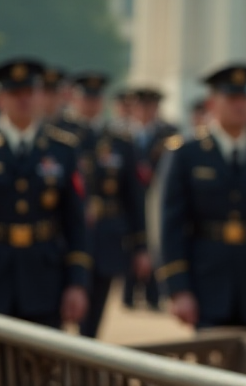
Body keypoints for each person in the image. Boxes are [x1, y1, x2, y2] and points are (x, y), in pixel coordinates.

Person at [0, 58, 90, 329]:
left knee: (42, 356)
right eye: (15, 93)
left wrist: (77, 283)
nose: (24, 100)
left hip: (45, 280)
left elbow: (76, 223)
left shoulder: (63, 149)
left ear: (40, 96)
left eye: (30, 92)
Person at [158, 64, 246, 332]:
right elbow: (170, 225)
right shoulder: (186, 154)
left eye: (245, 98)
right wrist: (178, 288)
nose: (240, 105)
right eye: (231, 98)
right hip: (205, 281)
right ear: (212, 103)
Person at [57, 72, 150, 338]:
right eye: (86, 97)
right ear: (74, 99)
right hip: (64, 237)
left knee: (94, 316)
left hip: (106, 235)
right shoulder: (60, 136)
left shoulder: (119, 141)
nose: (91, 103)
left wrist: (141, 245)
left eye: (96, 97)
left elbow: (134, 197)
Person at [121, 87, 175, 310]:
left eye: (150, 106)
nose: (145, 111)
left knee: (155, 240)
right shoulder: (121, 135)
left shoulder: (168, 135)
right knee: (130, 241)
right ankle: (128, 291)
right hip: (129, 199)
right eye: (141, 106)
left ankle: (154, 293)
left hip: (156, 195)